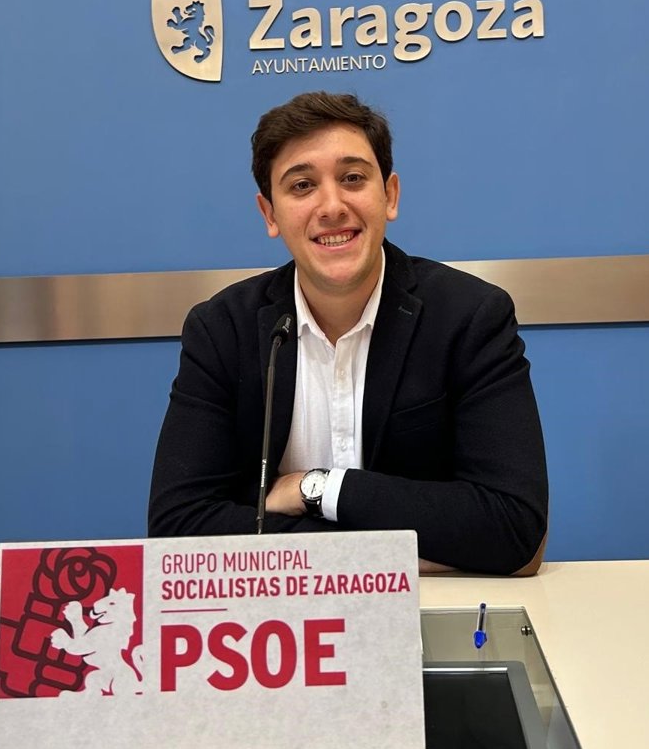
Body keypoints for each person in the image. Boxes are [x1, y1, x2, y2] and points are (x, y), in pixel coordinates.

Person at [148, 92, 548, 575]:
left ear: (390, 195)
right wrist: (385, 553)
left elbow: (512, 526)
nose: (332, 206)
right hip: (279, 610)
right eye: (302, 186)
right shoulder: (221, 329)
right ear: (270, 214)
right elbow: (177, 531)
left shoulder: (469, 316)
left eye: (353, 178)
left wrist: (316, 489)